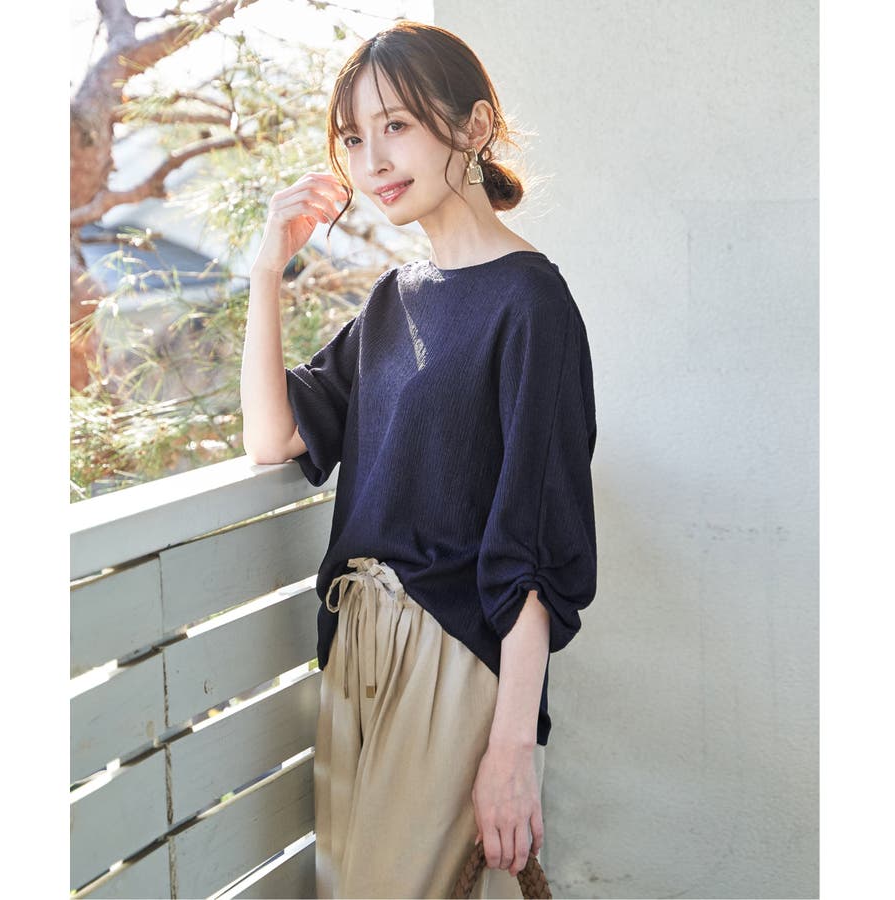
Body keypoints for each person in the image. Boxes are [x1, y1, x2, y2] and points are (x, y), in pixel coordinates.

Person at [240, 20, 597, 899]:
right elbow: (272, 437)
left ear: (474, 126)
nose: (373, 160)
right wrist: (265, 274)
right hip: (354, 648)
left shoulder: (532, 303)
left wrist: (512, 747)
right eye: (354, 138)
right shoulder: (393, 302)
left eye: (396, 125)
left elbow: (535, 543)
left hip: (450, 657)